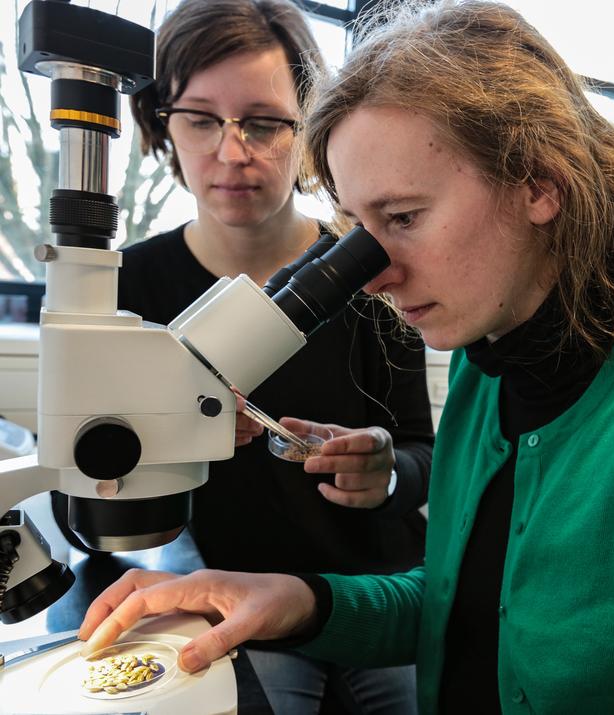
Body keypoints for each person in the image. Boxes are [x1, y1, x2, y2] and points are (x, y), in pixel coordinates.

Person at [79, 1, 614, 713]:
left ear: (539, 184)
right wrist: (286, 597)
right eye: (359, 227)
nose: (374, 272)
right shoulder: (485, 365)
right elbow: (467, 602)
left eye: (402, 219)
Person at [67, 0, 434, 712]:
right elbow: (83, 482)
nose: (232, 153)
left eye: (264, 123)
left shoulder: (369, 268)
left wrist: (387, 470)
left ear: (308, 131)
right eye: (202, 119)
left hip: (377, 588)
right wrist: (158, 439)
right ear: (161, 123)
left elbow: (424, 451)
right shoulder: (125, 286)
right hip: (232, 604)